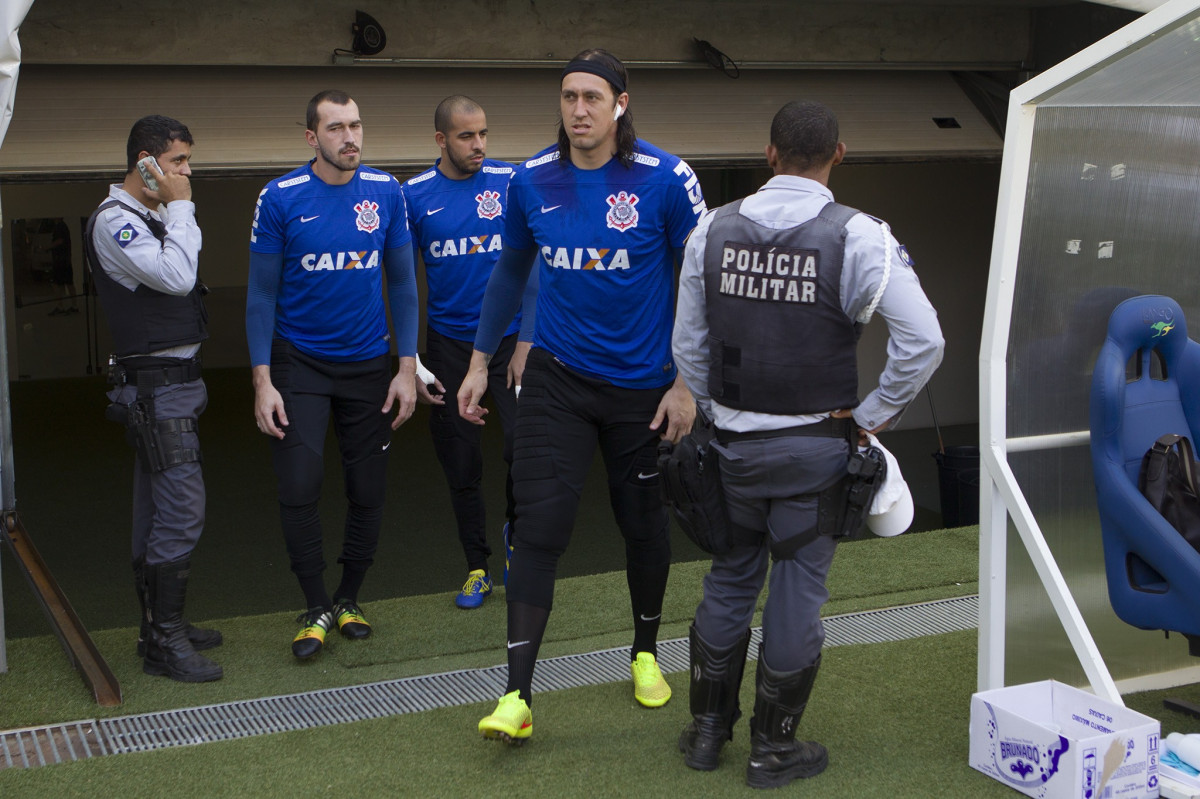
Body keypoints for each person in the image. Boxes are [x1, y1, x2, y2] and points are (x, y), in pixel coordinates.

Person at [671, 100, 944, 789]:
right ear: (839, 155)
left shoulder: (711, 230)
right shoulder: (861, 237)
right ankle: (773, 751)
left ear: (769, 154)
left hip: (729, 450)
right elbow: (926, 341)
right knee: (797, 593)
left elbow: (687, 347)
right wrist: (874, 414)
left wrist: (717, 410)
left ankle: (707, 734)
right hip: (815, 450)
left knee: (731, 578)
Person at [457, 48, 706, 742]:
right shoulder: (532, 179)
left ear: (621, 103)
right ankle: (516, 695)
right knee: (539, 525)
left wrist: (688, 383)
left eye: (593, 97)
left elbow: (700, 281)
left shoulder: (664, 178)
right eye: (569, 96)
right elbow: (509, 271)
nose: (579, 109)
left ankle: (647, 652)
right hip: (558, 379)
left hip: (644, 387)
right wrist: (480, 361)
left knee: (642, 525)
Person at [246, 89, 419, 660]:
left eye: (356, 125)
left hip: (370, 363)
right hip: (301, 364)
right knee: (299, 482)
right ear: (311, 137)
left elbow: (401, 282)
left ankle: (348, 597)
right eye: (337, 127)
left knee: (368, 487)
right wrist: (262, 381)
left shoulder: (386, 192)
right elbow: (262, 294)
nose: (351, 137)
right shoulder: (280, 197)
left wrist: (406, 365)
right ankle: (315, 602)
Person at [84, 115, 222, 683]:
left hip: (175, 386)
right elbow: (177, 276)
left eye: (187, 161)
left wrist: (175, 207)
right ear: (145, 162)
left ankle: (155, 627)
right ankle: (164, 639)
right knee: (182, 509)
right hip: (158, 391)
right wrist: (183, 206)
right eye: (177, 162)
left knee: (156, 508)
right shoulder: (115, 221)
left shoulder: (149, 215)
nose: (187, 173)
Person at [401, 95, 532, 609]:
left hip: (511, 344)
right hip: (450, 347)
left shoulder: (511, 182)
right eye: (465, 136)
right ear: (440, 140)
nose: (478, 145)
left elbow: (540, 258)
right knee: (461, 461)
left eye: (482, 134)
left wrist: (529, 341)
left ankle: (518, 546)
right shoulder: (412, 196)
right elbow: (398, 280)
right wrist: (410, 359)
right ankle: (477, 566)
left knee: (525, 449)